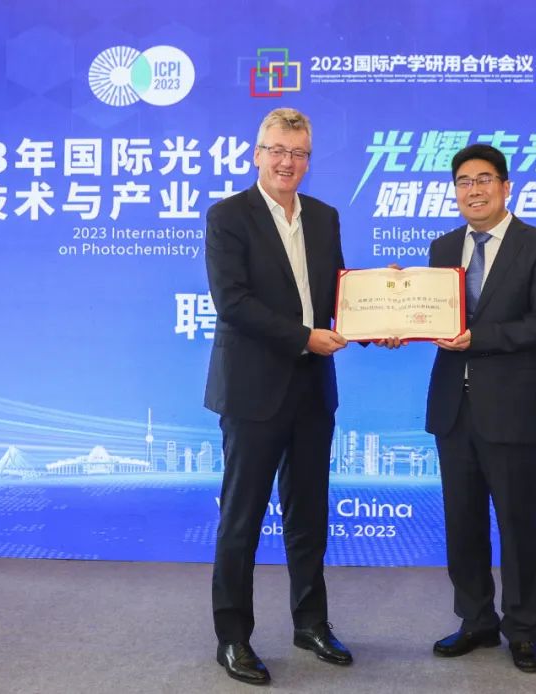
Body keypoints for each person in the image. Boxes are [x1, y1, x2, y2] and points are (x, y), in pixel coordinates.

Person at [204, 107, 352, 686]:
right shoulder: (228, 216)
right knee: (241, 517)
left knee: (309, 513)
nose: (288, 162)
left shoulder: (324, 217)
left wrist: (384, 308)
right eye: (278, 150)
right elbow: (233, 302)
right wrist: (303, 337)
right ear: (257, 155)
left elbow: (339, 296)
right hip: (252, 390)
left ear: (308, 160)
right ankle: (233, 638)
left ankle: (310, 623)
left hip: (312, 389)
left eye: (298, 153)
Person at [425, 143, 536, 673]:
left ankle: (523, 630)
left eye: (484, 179)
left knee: (517, 525)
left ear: (506, 187)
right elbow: (429, 314)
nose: (474, 190)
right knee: (462, 524)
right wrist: (397, 306)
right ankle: (476, 620)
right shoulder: (443, 248)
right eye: (464, 182)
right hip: (452, 409)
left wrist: (478, 338)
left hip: (511, 410)